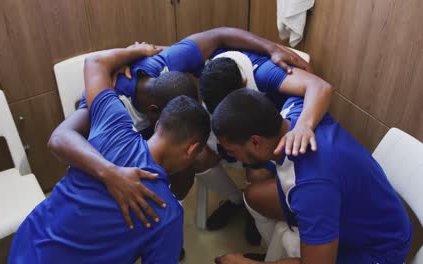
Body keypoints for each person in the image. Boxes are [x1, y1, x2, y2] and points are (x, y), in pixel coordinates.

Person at [48, 27, 327, 231]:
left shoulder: (165, 63)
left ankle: (232, 203)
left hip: (156, 146)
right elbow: (60, 138)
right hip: (109, 159)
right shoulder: (105, 102)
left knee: (197, 158)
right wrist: (111, 173)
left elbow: (219, 34)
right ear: (156, 114)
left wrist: (270, 47)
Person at [8, 44, 211, 263]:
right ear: (191, 149)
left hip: (26, 245)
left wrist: (138, 50)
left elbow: (94, 62)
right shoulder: (166, 215)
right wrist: (109, 173)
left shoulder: (114, 125)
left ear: (159, 121)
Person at [212, 89, 412, 264]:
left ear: (256, 142)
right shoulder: (296, 113)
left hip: (378, 251)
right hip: (359, 211)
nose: (232, 157)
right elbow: (314, 85)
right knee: (254, 195)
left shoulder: (311, 189)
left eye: (232, 151)